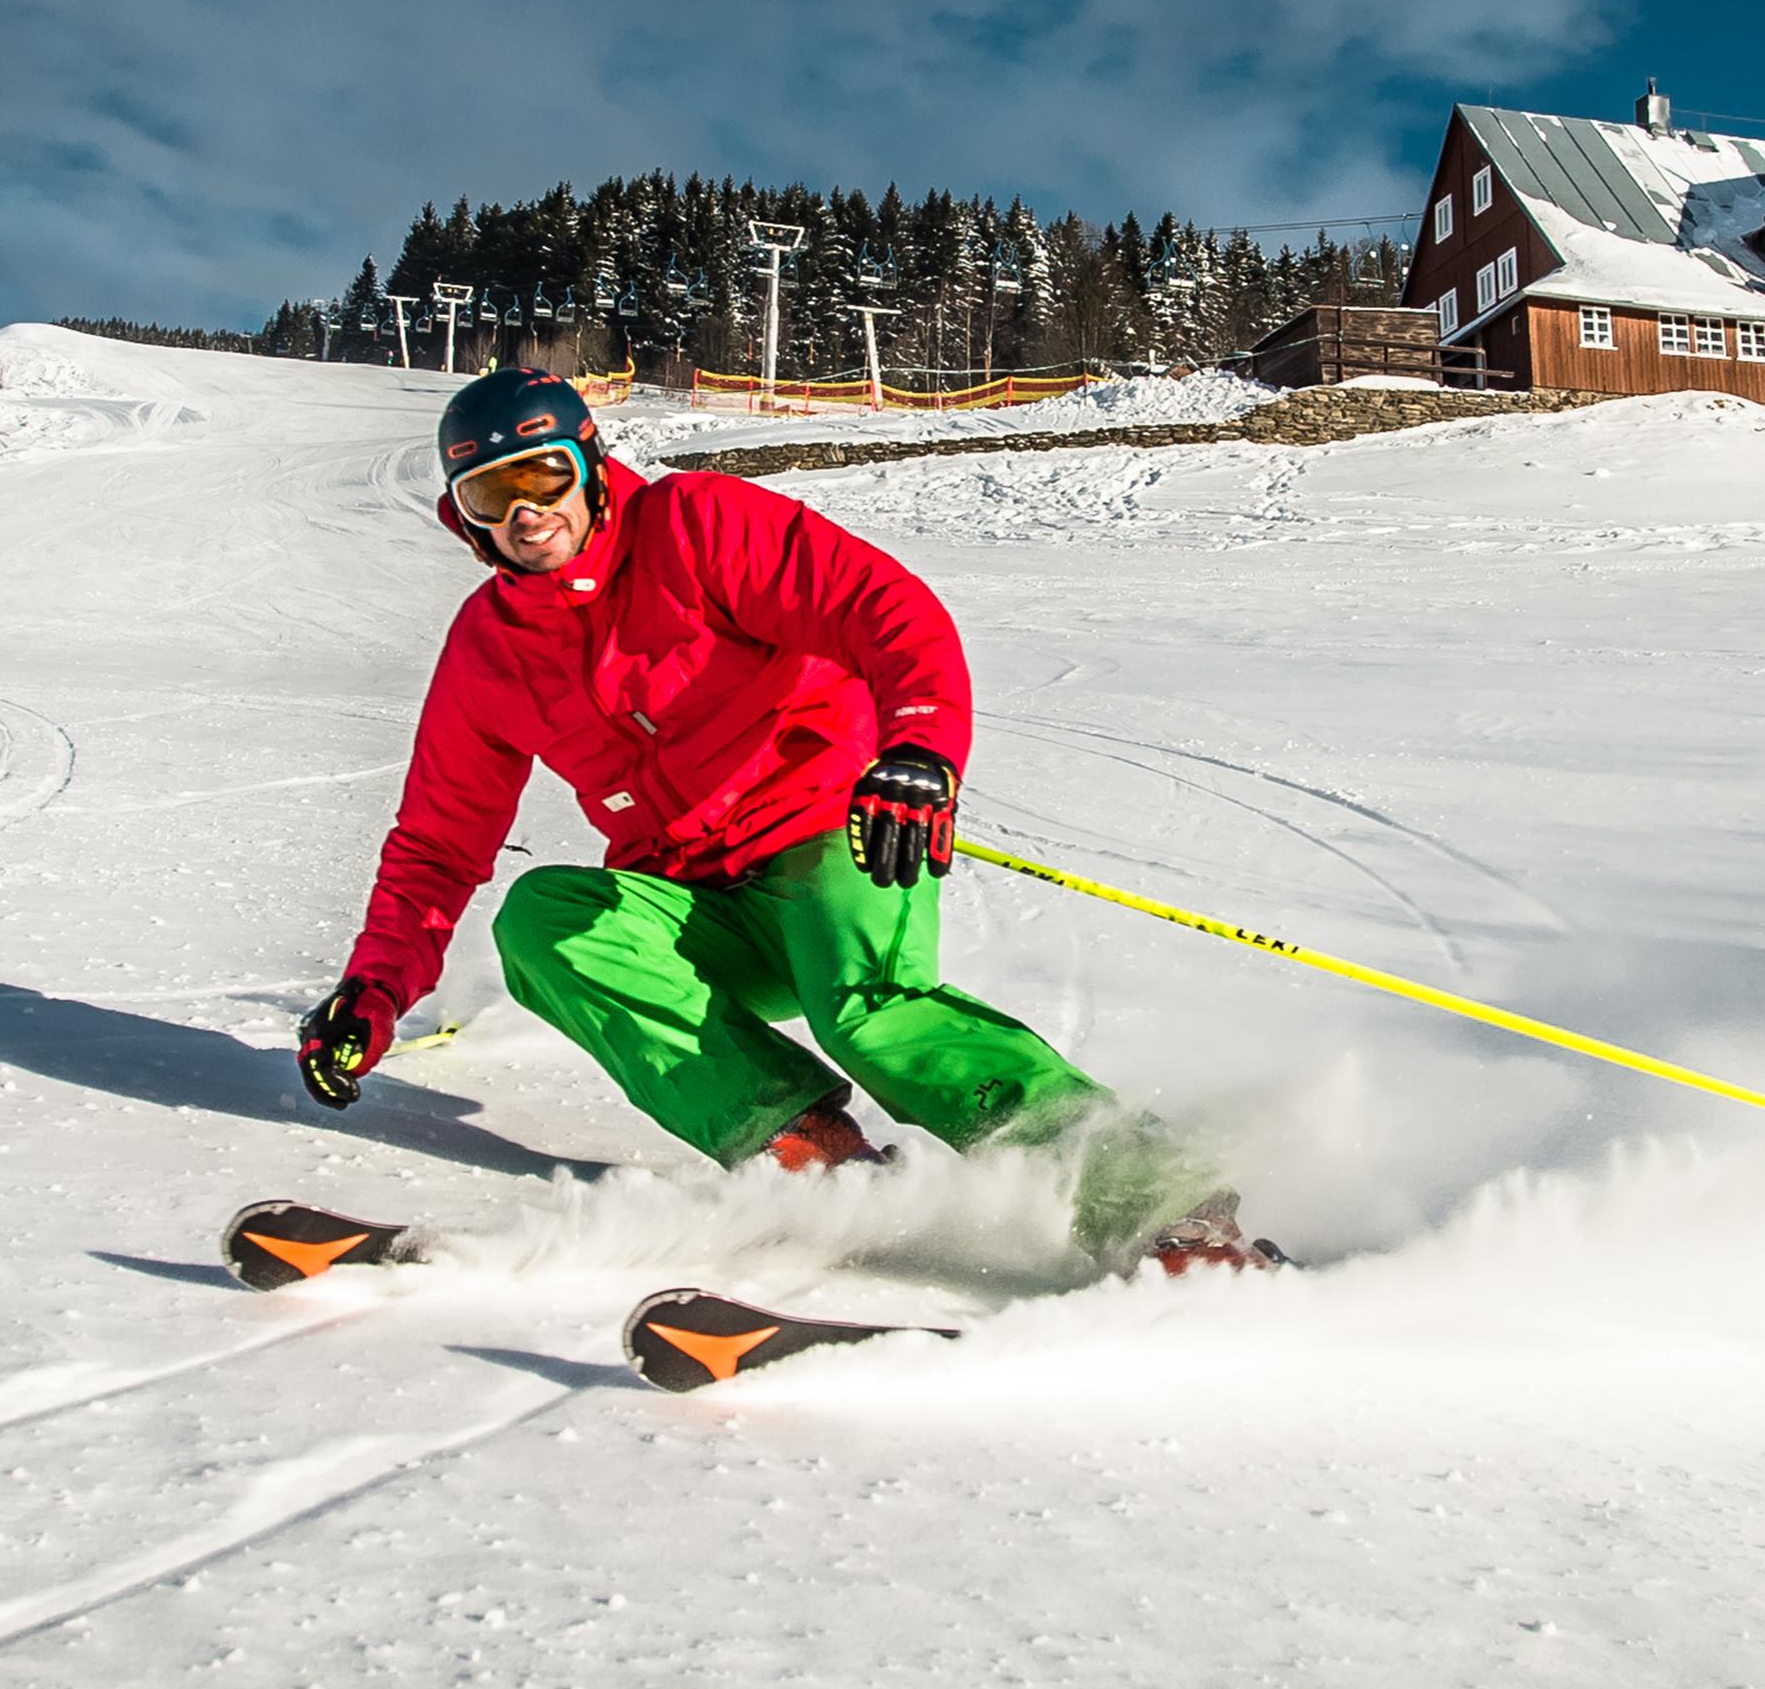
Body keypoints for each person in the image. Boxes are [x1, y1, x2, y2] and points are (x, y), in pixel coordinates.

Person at [296, 369, 1280, 1275]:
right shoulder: (490, 646)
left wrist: (920, 748)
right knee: (545, 920)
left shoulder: (694, 525)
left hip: (832, 838)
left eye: (544, 476)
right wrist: (372, 990)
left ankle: (1165, 1208)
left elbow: (877, 605)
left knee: (872, 1010)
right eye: (489, 496)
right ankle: (809, 1150)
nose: (525, 514)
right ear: (460, 513)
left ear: (591, 464)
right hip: (697, 902)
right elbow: (438, 838)